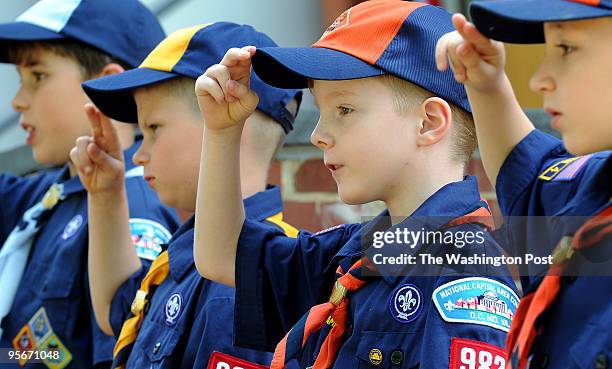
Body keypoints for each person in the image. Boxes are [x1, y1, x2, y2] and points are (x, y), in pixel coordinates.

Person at [194, 1, 519, 368]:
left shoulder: (464, 279)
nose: (318, 135)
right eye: (320, 111)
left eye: (344, 110)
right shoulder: (354, 253)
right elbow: (222, 256)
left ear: (428, 123)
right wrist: (222, 132)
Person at [72, 22, 302, 368]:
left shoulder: (241, 284)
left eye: (153, 129)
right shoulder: (191, 251)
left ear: (227, 118)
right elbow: (118, 311)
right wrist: (105, 194)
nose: (138, 154)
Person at [0, 1, 178, 368]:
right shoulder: (50, 194)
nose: (18, 102)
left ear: (104, 84)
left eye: (37, 77)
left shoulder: (128, 208)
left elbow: (115, 358)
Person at [435, 1, 612, 367]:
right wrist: (486, 86)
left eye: (566, 48)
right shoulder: (595, 188)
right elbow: (530, 177)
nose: (538, 80)